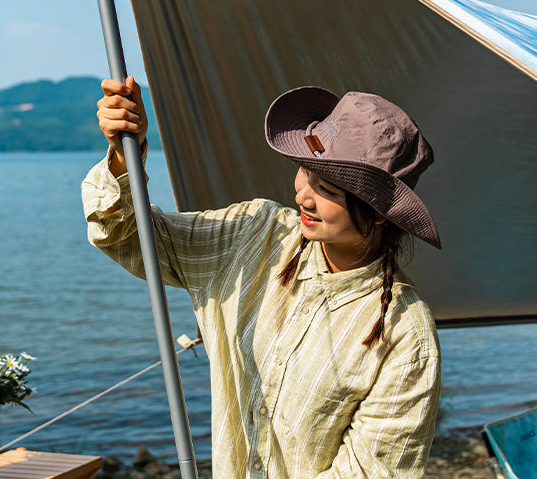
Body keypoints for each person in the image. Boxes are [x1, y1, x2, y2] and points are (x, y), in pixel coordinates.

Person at [82, 76, 442, 478]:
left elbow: (372, 471)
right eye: (305, 171)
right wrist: (122, 155)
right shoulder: (254, 233)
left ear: (379, 211)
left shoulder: (405, 333)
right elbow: (126, 236)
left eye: (327, 188)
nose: (303, 195)